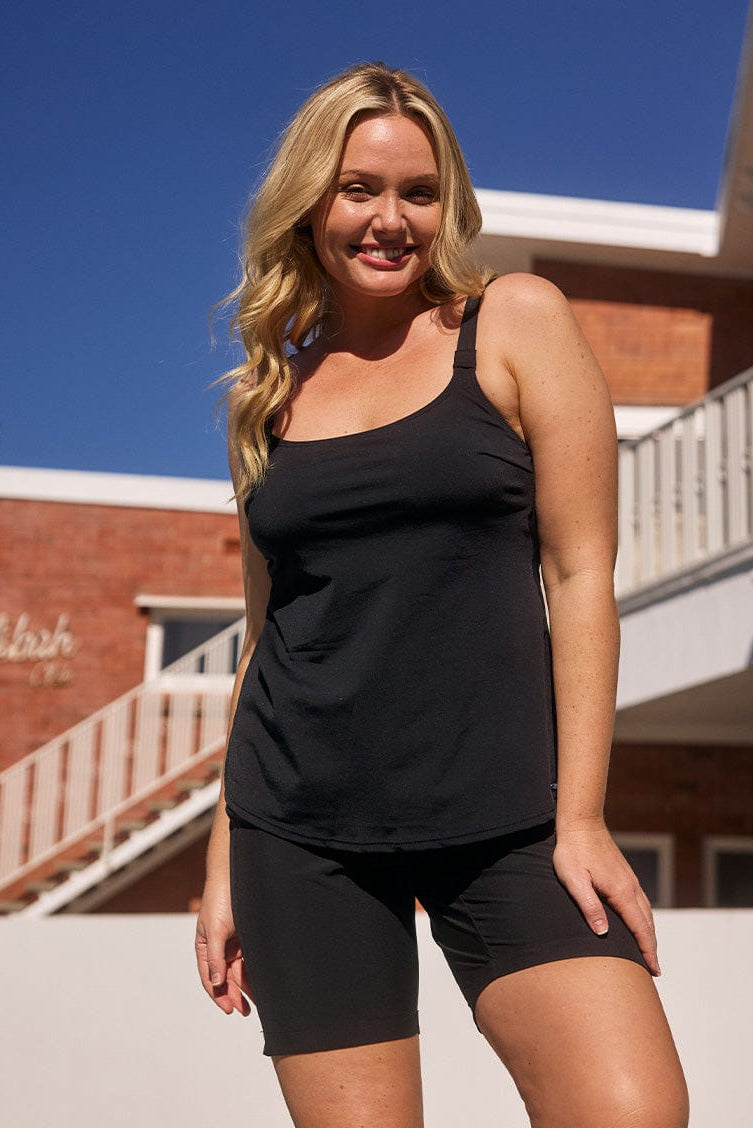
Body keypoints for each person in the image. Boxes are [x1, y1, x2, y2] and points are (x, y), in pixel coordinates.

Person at [195, 62, 689, 1127]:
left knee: (630, 1111)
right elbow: (262, 635)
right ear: (306, 203)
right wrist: (223, 853)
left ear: (447, 204)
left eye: (416, 192)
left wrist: (584, 817)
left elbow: (579, 574)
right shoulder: (265, 397)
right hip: (299, 826)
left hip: (506, 815)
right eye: (357, 188)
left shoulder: (510, 322)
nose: (389, 219)